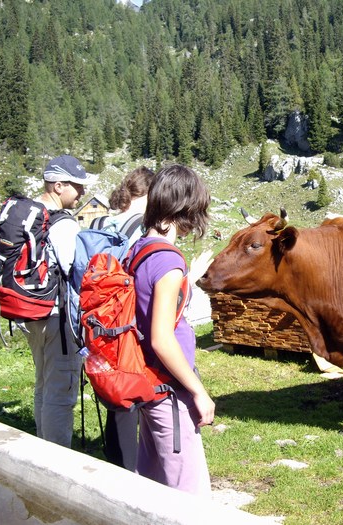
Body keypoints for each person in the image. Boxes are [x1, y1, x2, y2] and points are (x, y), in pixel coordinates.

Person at [132, 163, 214, 495]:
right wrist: (198, 391)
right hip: (169, 393)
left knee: (153, 486)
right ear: (184, 209)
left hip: (147, 386)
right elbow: (162, 338)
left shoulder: (139, 250)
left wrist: (188, 279)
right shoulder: (167, 261)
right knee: (190, 497)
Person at [26, 154, 97, 448]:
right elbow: (76, 270)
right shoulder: (62, 224)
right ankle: (57, 462)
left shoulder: (31, 215)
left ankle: (43, 448)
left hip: (31, 313)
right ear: (58, 186)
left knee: (43, 381)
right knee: (62, 389)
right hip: (57, 317)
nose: (81, 193)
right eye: (76, 186)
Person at [100, 165, 156, 472]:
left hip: (99, 321)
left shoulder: (101, 221)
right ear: (148, 194)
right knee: (129, 393)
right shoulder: (137, 226)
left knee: (112, 390)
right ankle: (129, 470)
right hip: (126, 321)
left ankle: (114, 456)